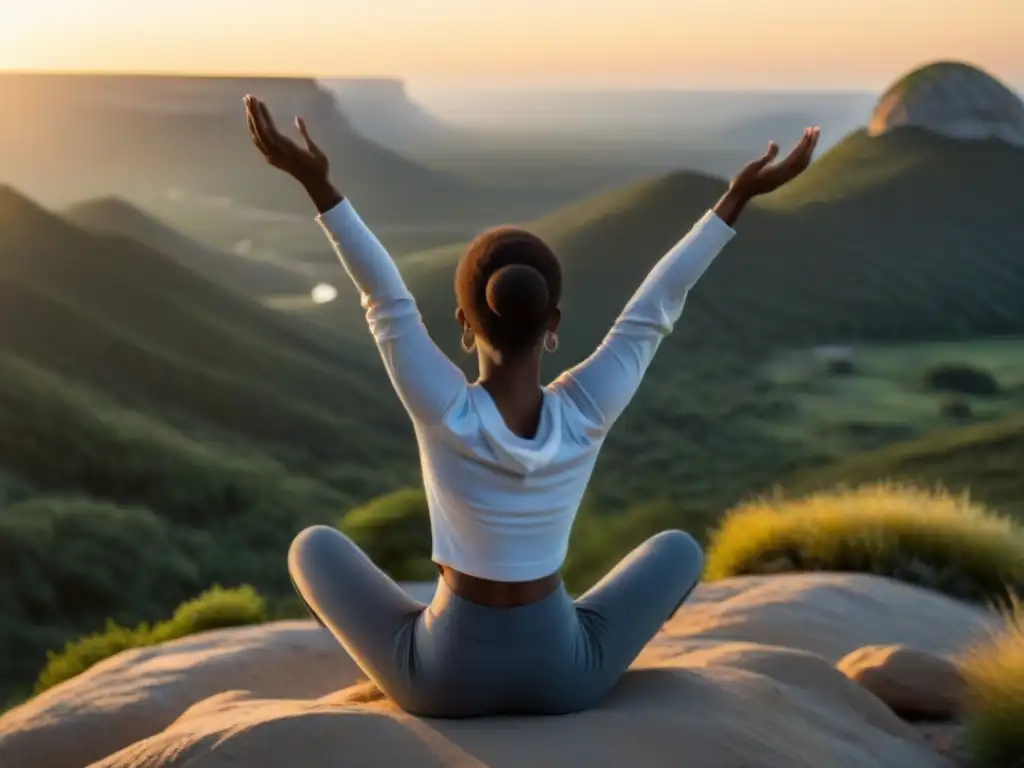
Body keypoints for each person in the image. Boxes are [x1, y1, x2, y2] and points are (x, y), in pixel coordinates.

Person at [244, 95, 819, 718]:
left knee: (312, 547)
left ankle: (405, 649)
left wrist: (319, 185)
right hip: (565, 675)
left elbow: (383, 299)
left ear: (465, 323)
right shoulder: (588, 408)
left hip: (443, 681)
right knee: (679, 549)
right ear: (554, 324)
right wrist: (735, 198)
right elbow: (656, 307)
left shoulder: (444, 410)